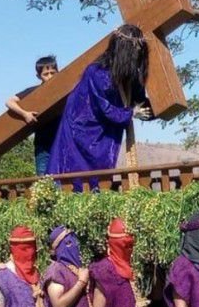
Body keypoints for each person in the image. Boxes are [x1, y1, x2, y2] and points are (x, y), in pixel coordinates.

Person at [47, 24, 153, 190]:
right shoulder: (96, 73)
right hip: (81, 134)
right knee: (77, 180)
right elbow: (105, 108)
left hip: (105, 135)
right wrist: (131, 113)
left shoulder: (128, 77)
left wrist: (152, 109)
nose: (138, 57)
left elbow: (140, 101)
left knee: (99, 182)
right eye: (134, 52)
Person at [5, 55, 61, 176]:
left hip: (62, 141)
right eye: (46, 74)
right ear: (38, 76)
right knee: (43, 180)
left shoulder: (64, 90)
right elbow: (9, 102)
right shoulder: (33, 92)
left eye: (53, 73)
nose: (50, 77)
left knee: (65, 177)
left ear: (58, 72)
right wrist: (25, 114)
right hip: (43, 145)